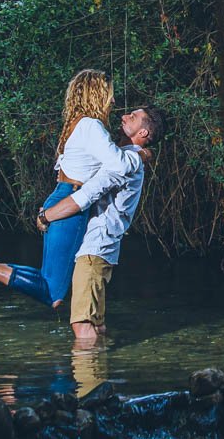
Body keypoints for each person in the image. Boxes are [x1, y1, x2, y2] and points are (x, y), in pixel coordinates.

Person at [0, 69, 146, 310]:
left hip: (62, 196)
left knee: (49, 282)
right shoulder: (91, 126)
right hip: (70, 203)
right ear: (97, 95)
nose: (113, 101)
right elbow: (119, 165)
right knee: (53, 293)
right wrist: (142, 153)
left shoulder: (77, 124)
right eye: (110, 95)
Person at [65, 105, 163, 341]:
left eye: (134, 117)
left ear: (144, 134)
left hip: (94, 249)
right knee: (95, 326)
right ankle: (99, 374)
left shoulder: (125, 161)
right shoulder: (127, 157)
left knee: (82, 325)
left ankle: (87, 376)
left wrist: (46, 215)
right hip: (101, 250)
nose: (124, 116)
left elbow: (86, 195)